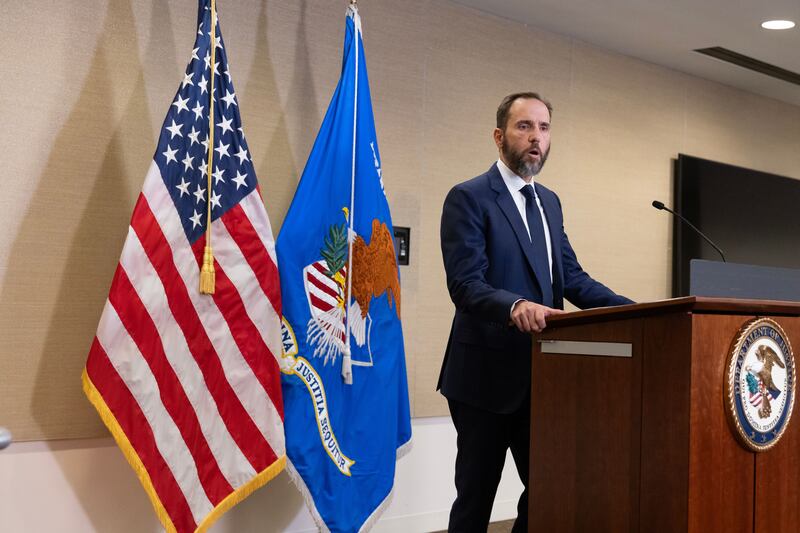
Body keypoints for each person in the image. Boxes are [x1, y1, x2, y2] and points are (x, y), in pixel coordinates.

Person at [438, 92, 633, 532]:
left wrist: (635, 312)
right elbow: (466, 285)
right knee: (476, 499)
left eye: (544, 128)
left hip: (543, 378)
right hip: (483, 379)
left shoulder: (550, 202)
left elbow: (572, 278)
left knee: (548, 491)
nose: (536, 138)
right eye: (524, 126)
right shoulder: (468, 198)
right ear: (499, 136)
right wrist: (515, 306)